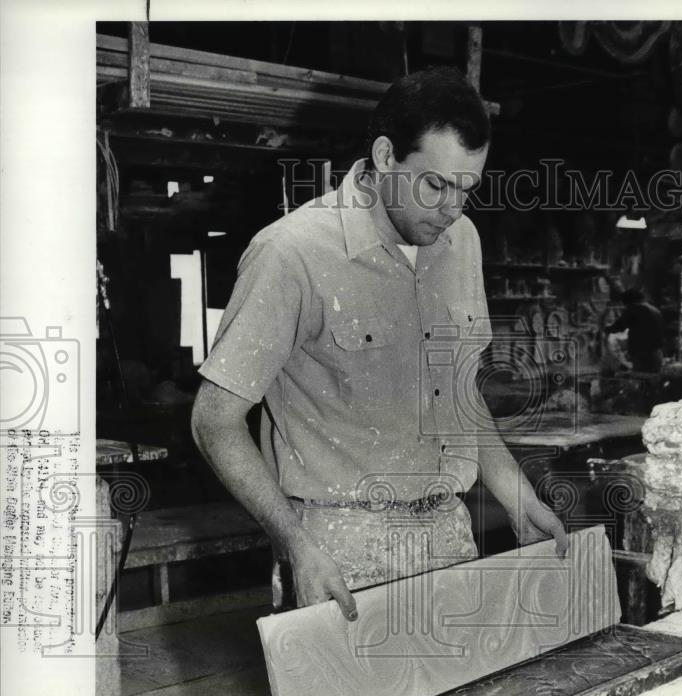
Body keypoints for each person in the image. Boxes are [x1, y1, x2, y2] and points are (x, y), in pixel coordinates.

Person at [192, 67, 567, 621]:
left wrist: (515, 492)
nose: (452, 209)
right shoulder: (290, 254)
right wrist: (297, 546)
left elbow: (459, 392)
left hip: (448, 531)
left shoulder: (461, 242)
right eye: (436, 184)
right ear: (387, 156)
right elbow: (214, 421)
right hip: (340, 547)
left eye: (468, 189)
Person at [605, 287, 665, 373]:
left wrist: (605, 329)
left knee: (641, 379)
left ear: (628, 301)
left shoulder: (635, 308)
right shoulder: (654, 309)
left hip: (643, 353)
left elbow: (619, 326)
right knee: (653, 380)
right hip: (657, 352)